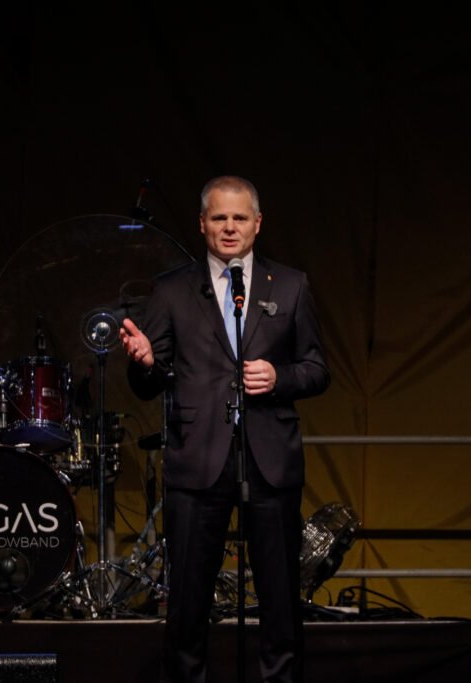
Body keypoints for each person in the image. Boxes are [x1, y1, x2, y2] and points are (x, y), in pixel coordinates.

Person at [119, 175, 330, 683]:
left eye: (239, 217)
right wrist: (144, 363)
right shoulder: (172, 289)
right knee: (187, 600)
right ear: (202, 224)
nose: (229, 227)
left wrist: (279, 378)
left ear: (258, 223)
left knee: (281, 597)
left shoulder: (292, 284)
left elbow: (318, 369)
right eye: (219, 218)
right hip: (198, 458)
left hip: (269, 459)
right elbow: (149, 382)